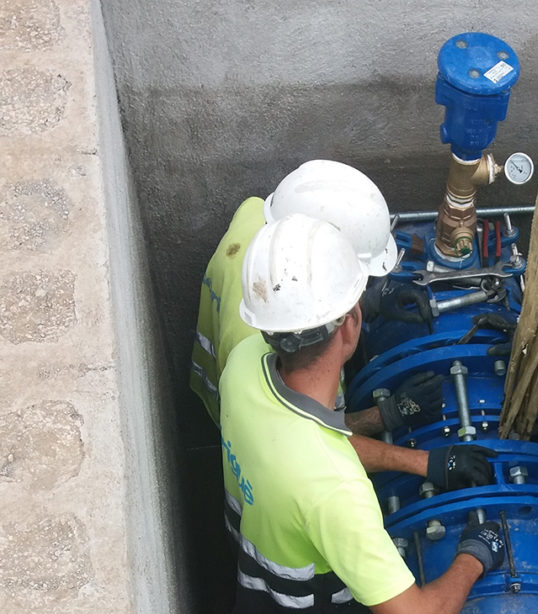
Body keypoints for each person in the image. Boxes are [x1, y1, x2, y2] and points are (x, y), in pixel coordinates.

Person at [212, 213, 505, 614]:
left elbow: (311, 443)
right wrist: (475, 553)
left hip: (252, 569)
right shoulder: (335, 494)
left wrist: (423, 464)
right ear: (350, 326)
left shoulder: (244, 364)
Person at [188, 160, 489, 491]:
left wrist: (371, 304)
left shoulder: (257, 217)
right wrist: (392, 420)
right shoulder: (268, 345)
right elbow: (309, 441)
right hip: (249, 432)